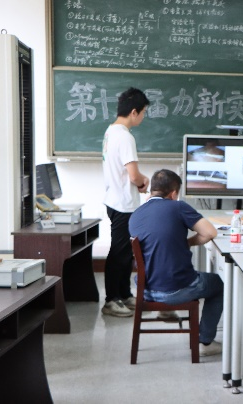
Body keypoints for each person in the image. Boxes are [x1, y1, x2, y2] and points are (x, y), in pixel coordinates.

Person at [129, 169, 223, 356]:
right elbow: (210, 232)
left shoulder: (136, 214)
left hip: (146, 289)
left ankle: (165, 311)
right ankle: (204, 341)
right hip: (174, 290)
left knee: (168, 272)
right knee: (219, 284)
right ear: (173, 194)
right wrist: (188, 242)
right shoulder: (178, 207)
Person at [101, 87, 150, 317]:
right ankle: (111, 300)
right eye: (143, 112)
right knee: (119, 253)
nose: (143, 117)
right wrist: (143, 181)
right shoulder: (125, 137)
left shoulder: (111, 131)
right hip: (123, 203)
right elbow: (133, 175)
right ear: (134, 112)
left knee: (125, 252)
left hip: (115, 199)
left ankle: (124, 294)